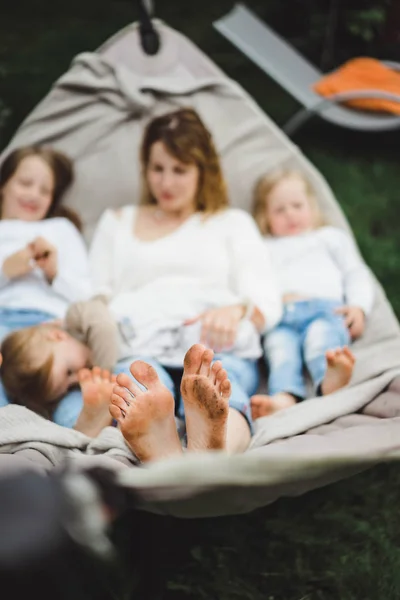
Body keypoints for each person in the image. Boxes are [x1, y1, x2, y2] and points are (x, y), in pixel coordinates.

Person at [89, 107, 283, 454]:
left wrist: (237, 310)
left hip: (215, 346)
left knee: (224, 389)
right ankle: (159, 436)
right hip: (139, 345)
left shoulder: (230, 223)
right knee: (139, 391)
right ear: (144, 168)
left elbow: (267, 302)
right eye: (157, 168)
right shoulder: (116, 222)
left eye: (180, 170)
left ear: (202, 170)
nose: (166, 182)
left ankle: (213, 442)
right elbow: (93, 298)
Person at [250, 168, 374, 419]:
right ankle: (284, 397)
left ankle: (329, 378)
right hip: (280, 318)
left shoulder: (329, 238)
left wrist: (359, 306)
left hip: (324, 309)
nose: (290, 214)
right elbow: (254, 283)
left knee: (321, 342)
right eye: (279, 210)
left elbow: (356, 273)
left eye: (297, 205)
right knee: (280, 353)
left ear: (312, 206)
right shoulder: (263, 247)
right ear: (265, 216)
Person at [0, 145, 93, 425]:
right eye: (26, 183)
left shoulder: (61, 230)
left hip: (52, 325)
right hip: (4, 322)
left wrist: (55, 274)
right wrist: (6, 271)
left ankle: (79, 425)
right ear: (4, 184)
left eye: (45, 190)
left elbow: (88, 297)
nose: (34, 195)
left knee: (67, 379)